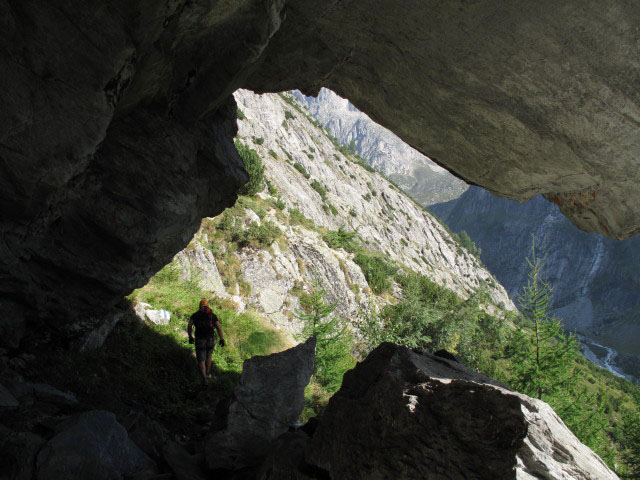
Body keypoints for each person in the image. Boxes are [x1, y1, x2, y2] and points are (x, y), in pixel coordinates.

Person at [188, 298, 225, 385]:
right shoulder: (212, 315)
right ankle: (207, 372)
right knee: (209, 356)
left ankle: (204, 378)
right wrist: (222, 339)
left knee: (201, 359)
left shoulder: (195, 315)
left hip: (200, 339)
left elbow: (189, 326)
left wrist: (190, 336)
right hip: (210, 339)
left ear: (199, 306)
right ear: (208, 306)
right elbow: (219, 328)